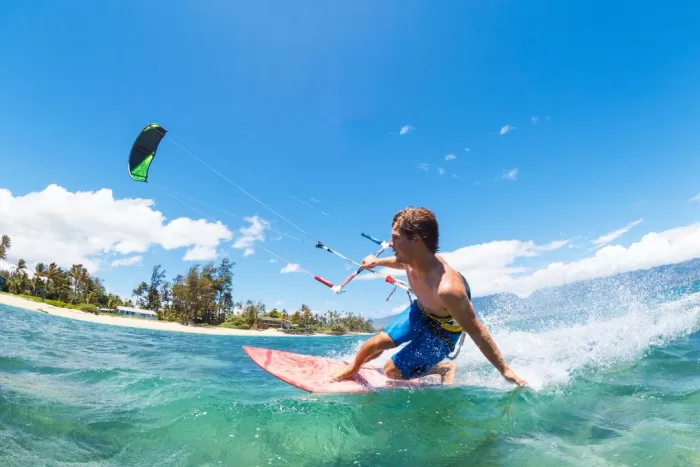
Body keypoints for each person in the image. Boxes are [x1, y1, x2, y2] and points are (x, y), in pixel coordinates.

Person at [332, 207, 527, 387]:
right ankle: (353, 369)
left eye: (396, 238)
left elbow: (477, 331)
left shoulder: (447, 289)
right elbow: (400, 262)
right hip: (422, 310)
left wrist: (505, 371)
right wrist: (377, 261)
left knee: (391, 371)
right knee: (376, 344)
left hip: (443, 331)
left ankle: (444, 368)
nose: (391, 244)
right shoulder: (411, 259)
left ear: (416, 239)